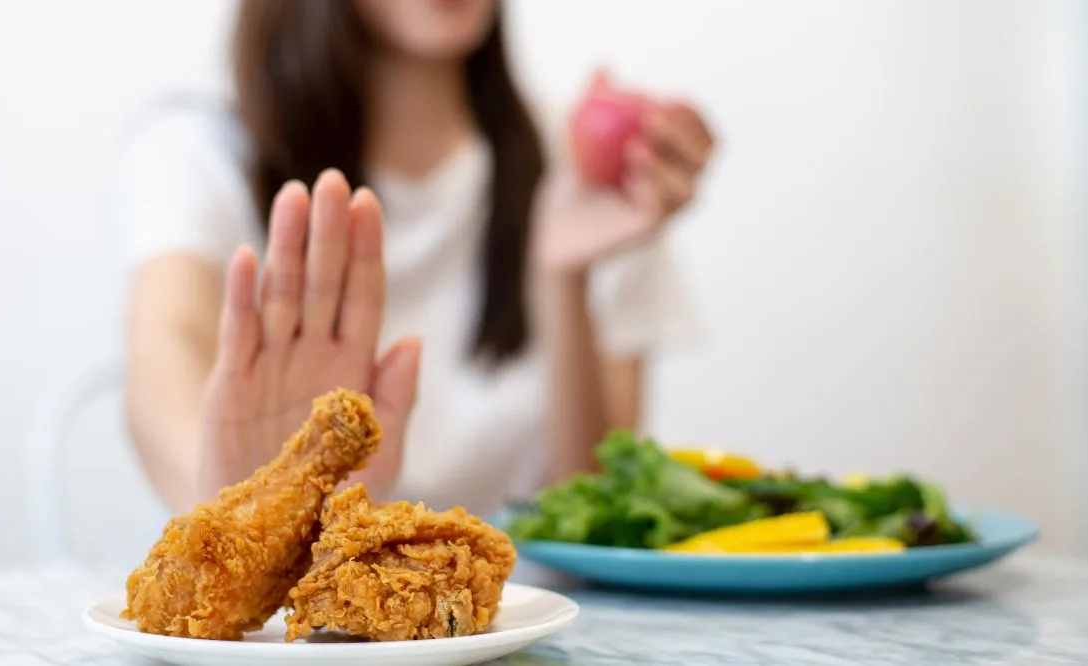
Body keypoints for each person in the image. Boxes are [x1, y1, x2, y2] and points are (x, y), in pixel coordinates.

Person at [118, 0, 714, 517]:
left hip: (498, 626)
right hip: (276, 632)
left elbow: (585, 507)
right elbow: (163, 352)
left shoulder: (583, 173)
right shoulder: (204, 153)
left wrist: (562, 276)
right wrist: (241, 507)